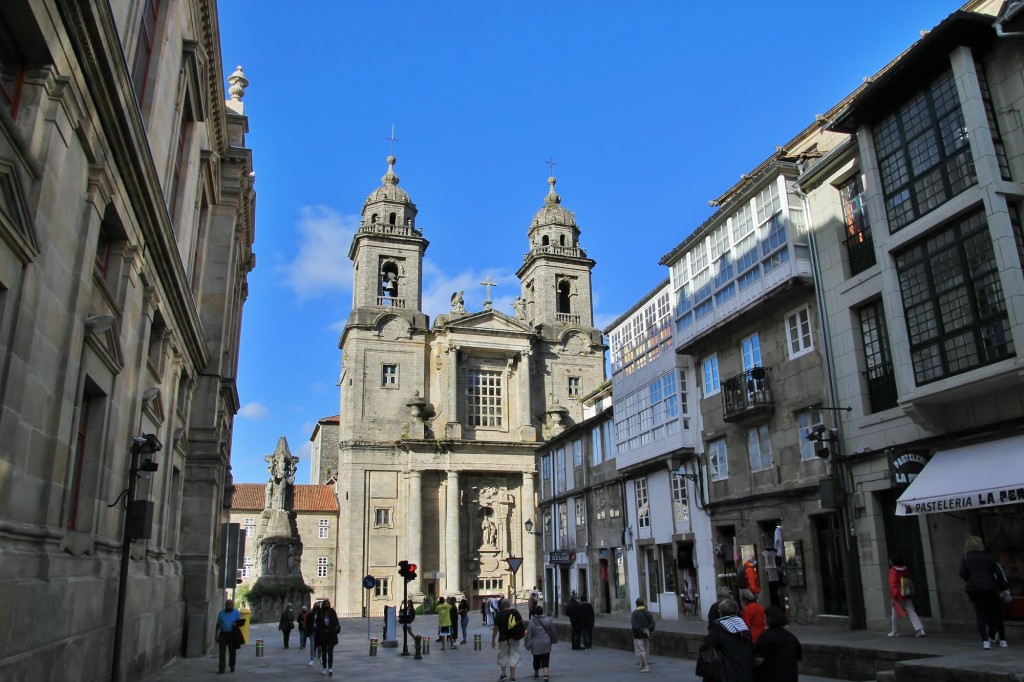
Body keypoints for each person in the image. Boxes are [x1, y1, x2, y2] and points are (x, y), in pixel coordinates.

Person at [960, 535, 1008, 649]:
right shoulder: (988, 557)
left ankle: (985, 641)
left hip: (974, 588)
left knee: (980, 613)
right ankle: (1002, 639)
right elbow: (998, 572)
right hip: (990, 586)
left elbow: (962, 573)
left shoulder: (966, 558)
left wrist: (971, 579)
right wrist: (1003, 586)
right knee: (996, 612)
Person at [701, 598, 753, 682]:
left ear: (721, 612)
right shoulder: (743, 628)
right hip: (744, 669)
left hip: (725, 671)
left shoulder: (718, 628)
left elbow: (705, 646)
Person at [752, 605, 802, 682]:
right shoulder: (791, 637)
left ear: (769, 619)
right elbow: (798, 661)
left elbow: (758, 659)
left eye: (765, 618)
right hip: (790, 677)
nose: (763, 621)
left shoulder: (764, 637)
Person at [888, 555, 925, 637]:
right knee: (912, 611)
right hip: (906, 593)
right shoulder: (905, 569)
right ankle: (920, 630)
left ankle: (895, 631)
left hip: (898, 595)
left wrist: (894, 597)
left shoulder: (893, 571)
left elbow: (893, 584)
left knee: (895, 614)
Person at [491, 597, 524, 682]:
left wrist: (493, 639)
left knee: (502, 656)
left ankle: (504, 674)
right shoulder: (514, 612)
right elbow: (521, 622)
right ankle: (512, 676)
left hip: (503, 639)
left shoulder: (499, 614)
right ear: (509, 605)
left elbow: (496, 628)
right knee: (513, 656)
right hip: (514, 638)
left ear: (502, 605)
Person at [525, 605, 558, 681]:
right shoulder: (548, 619)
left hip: (535, 643)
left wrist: (528, 644)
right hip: (546, 642)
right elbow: (553, 630)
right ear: (542, 611)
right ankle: (545, 675)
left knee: (536, 658)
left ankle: (536, 674)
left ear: (535, 612)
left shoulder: (532, 621)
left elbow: (529, 633)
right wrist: (554, 639)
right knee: (546, 658)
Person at [214, 598, 243, 675]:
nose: (229, 606)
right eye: (228, 604)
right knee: (222, 652)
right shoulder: (221, 613)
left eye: (231, 604)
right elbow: (218, 624)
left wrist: (236, 624)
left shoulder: (236, 613)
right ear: (225, 605)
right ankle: (221, 669)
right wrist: (216, 634)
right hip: (223, 634)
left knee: (232, 651)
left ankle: (232, 666)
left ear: (233, 605)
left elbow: (240, 623)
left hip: (232, 635)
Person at [315, 598, 340, 676]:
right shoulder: (320, 613)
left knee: (330, 652)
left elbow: (336, 622)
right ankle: (324, 668)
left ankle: (330, 668)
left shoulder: (332, 612)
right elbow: (318, 624)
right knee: (324, 652)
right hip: (323, 636)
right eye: (325, 604)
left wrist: (336, 628)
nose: (327, 606)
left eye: (328, 604)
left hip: (331, 635)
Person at [630, 597, 656, 673]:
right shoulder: (647, 612)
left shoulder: (635, 613)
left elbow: (634, 625)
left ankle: (646, 666)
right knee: (645, 650)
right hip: (647, 634)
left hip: (639, 635)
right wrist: (648, 629)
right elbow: (652, 623)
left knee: (641, 650)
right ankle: (642, 664)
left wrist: (641, 630)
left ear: (636, 604)